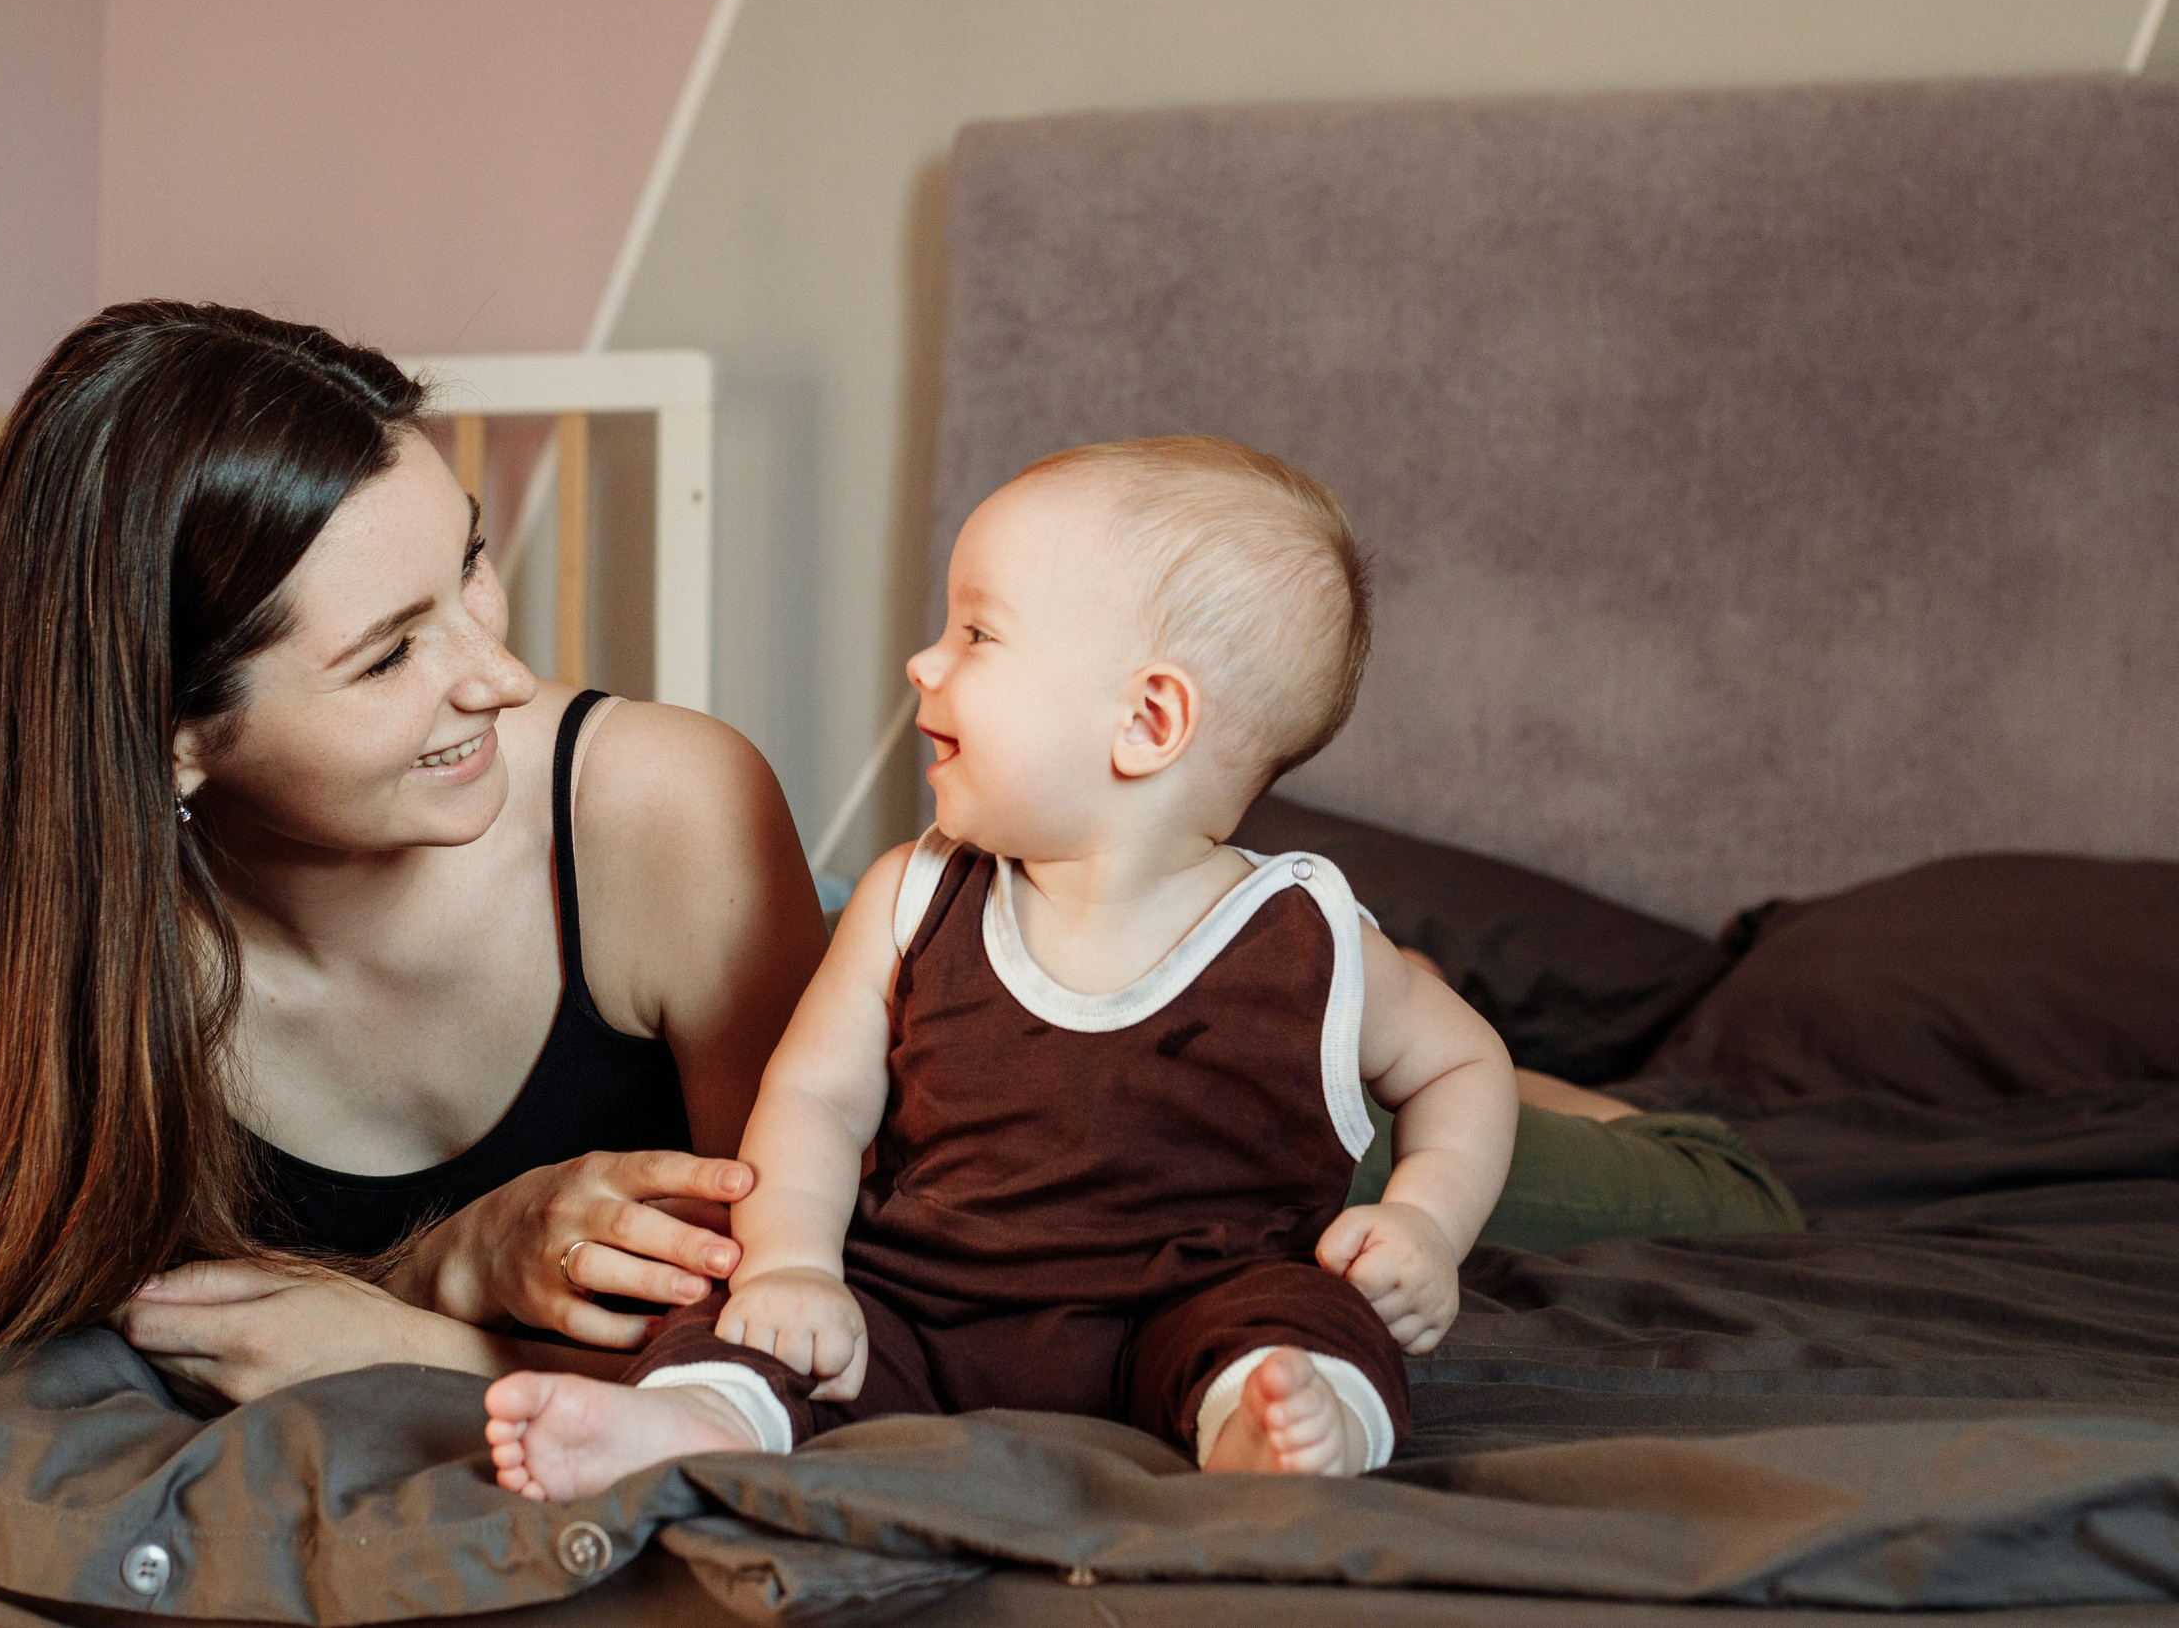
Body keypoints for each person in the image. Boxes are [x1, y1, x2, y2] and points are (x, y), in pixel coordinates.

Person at [484, 436, 1523, 1497]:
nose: (923, 662)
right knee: (759, 1330)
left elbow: (1463, 1068)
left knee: (1312, 1327)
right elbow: (814, 1097)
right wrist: (794, 1263)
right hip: (924, 1307)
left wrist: (1423, 1223)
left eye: (977, 632)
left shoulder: (1310, 938)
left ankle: (1280, 1422)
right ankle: (696, 1419)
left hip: (1201, 1299)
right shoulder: (914, 894)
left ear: (1147, 720)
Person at [0, 302, 827, 1391]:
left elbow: (830, 1340)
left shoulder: (669, 810)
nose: (500, 677)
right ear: (175, 738)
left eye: (472, 559)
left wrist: (427, 1333)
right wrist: (427, 1271)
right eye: (389, 654)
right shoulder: (95, 942)